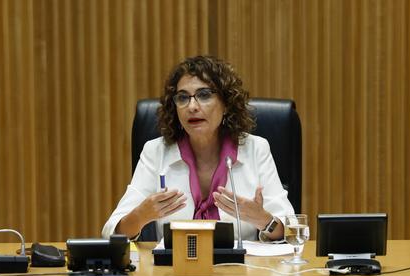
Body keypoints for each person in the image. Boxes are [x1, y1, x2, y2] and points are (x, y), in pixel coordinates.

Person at [102, 55, 294, 241]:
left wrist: (262, 219)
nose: (192, 106)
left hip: (241, 269)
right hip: (174, 270)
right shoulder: (155, 152)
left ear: (226, 104)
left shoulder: (255, 149)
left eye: (204, 95)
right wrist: (142, 215)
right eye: (183, 98)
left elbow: (291, 230)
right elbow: (112, 233)